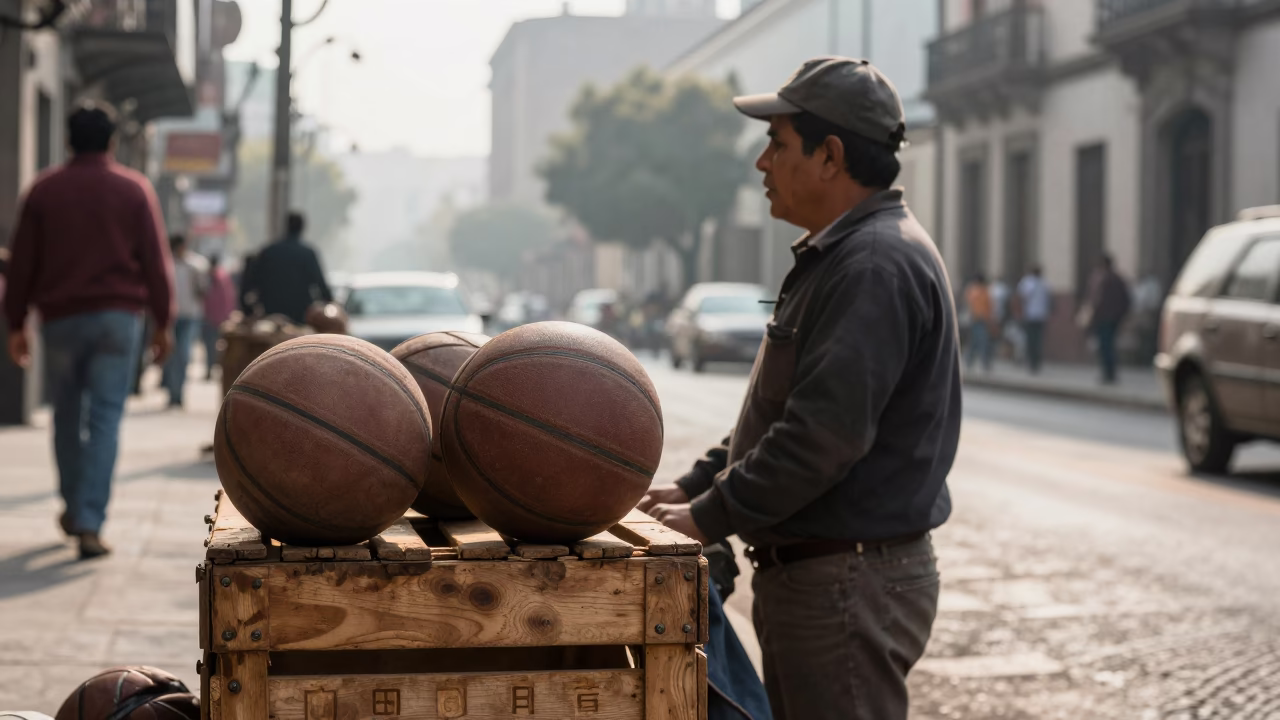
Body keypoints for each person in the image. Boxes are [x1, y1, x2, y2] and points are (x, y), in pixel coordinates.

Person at [639, 58, 959, 720]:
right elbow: (786, 410)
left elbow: (821, 437)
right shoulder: (844, 253)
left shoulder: (872, 264)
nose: (763, 163)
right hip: (825, 578)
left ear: (830, 156)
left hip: (845, 582)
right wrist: (698, 484)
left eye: (778, 144)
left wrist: (707, 516)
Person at [4, 102, 174, 560]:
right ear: (113, 142)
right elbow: (155, 262)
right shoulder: (133, 189)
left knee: (66, 414)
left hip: (60, 320)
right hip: (118, 320)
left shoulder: (44, 190)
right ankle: (90, 520)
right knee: (104, 419)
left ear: (67, 141)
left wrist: (16, 322)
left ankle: (74, 504)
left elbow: (22, 263)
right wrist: (163, 322)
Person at [240, 212, 332, 324]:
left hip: (270, 315)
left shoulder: (268, 252)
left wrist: (248, 310)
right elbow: (321, 285)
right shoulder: (308, 254)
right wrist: (331, 305)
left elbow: (249, 283)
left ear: (285, 226)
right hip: (299, 317)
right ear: (302, 228)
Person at [162, 235, 208, 408]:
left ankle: (177, 393)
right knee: (170, 354)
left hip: (189, 316)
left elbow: (203, 290)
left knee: (182, 354)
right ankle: (171, 390)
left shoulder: (196, 265)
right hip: (171, 316)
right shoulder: (167, 263)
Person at [1086, 254, 1132, 384]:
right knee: (1109, 345)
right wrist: (1122, 315)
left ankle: (1108, 373)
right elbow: (1126, 299)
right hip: (1114, 318)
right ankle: (1110, 372)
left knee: (1105, 346)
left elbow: (1097, 301)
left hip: (1104, 318)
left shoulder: (1102, 279)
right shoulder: (1118, 279)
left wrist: (1093, 317)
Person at [201, 254, 237, 380]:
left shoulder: (213, 277)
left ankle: (212, 368)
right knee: (216, 346)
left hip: (212, 318)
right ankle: (215, 369)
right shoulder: (224, 277)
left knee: (211, 346)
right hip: (219, 317)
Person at [1017, 266, 1052, 374]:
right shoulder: (1045, 283)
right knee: (1038, 340)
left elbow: (1022, 296)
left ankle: (1032, 362)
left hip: (1031, 315)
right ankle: (1036, 362)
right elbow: (1049, 299)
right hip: (1041, 315)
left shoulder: (1028, 282)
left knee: (1031, 340)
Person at [964, 272, 994, 373]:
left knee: (976, 341)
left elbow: (988, 306)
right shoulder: (980, 291)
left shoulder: (979, 290)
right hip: (978, 319)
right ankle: (981, 363)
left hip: (980, 319)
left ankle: (971, 361)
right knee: (980, 341)